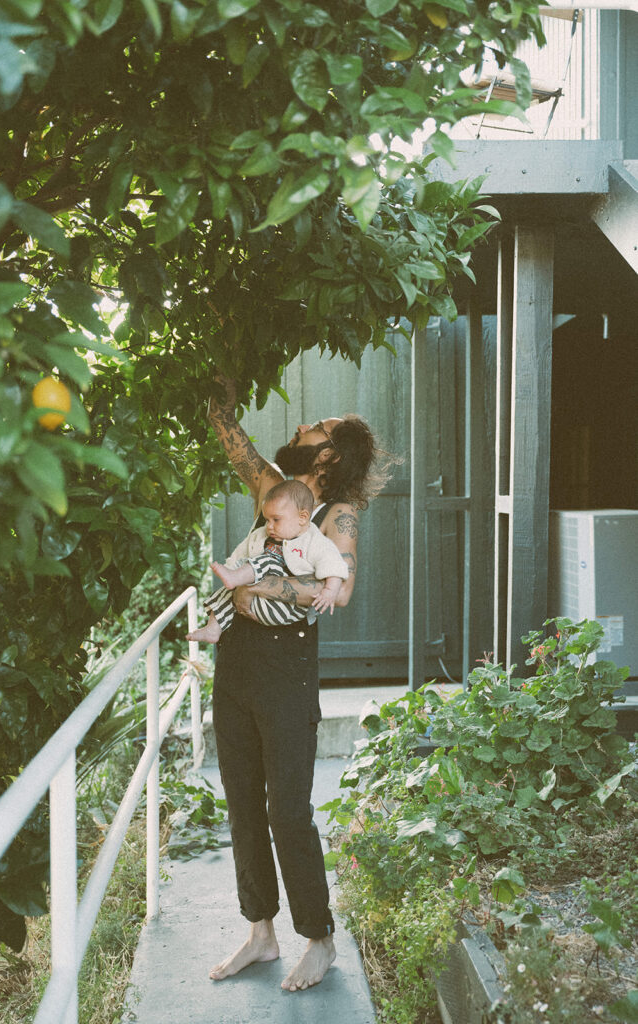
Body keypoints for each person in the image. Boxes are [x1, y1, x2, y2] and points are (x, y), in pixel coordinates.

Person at [206, 375, 390, 993]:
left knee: (287, 810)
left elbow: (330, 595)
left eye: (317, 427)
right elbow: (240, 450)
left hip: (285, 670)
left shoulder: (337, 515)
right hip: (234, 663)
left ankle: (319, 938)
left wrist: (251, 584)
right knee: (242, 808)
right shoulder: (275, 492)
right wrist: (222, 407)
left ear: (331, 452)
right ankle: (260, 934)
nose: (300, 428)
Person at [188, 480, 348, 644]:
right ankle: (213, 628)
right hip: (253, 607)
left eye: (276, 520)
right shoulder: (260, 535)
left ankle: (236, 579)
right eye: (267, 520)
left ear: (303, 517)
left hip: (286, 609)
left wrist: (329, 591)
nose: (269, 526)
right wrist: (231, 570)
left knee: (267, 561)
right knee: (229, 586)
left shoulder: (315, 541)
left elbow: (335, 567)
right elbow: (239, 555)